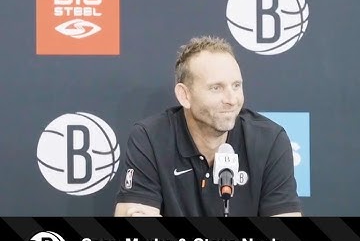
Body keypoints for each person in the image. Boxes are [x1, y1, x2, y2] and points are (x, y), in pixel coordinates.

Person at [114, 36, 302, 217]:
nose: (232, 100)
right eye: (216, 88)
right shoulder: (150, 138)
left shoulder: (269, 140)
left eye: (236, 86)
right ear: (184, 95)